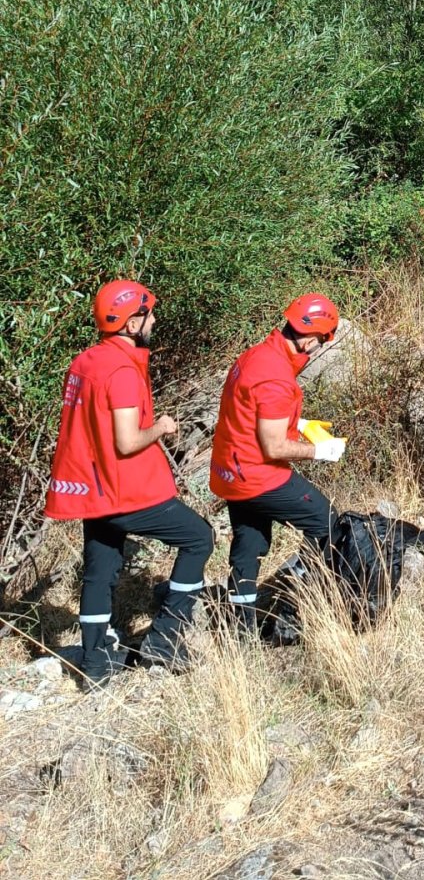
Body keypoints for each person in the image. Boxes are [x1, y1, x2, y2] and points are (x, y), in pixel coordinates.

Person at [45, 280, 215, 688]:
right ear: (131, 321)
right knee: (199, 538)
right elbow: (126, 441)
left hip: (92, 489)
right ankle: (166, 637)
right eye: (148, 313)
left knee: (99, 571)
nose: (153, 319)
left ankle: (96, 664)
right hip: (124, 489)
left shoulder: (85, 361)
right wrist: (161, 427)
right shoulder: (122, 371)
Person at [210, 293, 345, 636]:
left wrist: (298, 424)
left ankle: (240, 630)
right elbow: (272, 446)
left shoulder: (255, 356)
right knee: (326, 523)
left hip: (230, 470)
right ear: (313, 339)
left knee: (250, 543)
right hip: (257, 474)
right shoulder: (276, 377)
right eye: (324, 341)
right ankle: (293, 600)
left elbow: (247, 413)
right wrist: (321, 451)